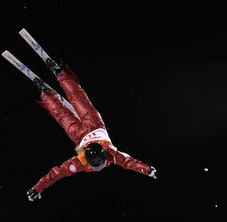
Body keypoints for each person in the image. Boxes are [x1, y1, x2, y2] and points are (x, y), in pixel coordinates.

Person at [27, 61, 157, 201]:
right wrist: (147, 169)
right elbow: (128, 162)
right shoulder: (110, 154)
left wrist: (37, 188)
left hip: (81, 134)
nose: (98, 166)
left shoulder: (81, 162)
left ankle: (47, 92)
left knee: (63, 111)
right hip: (93, 125)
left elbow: (57, 173)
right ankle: (59, 74)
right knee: (76, 98)